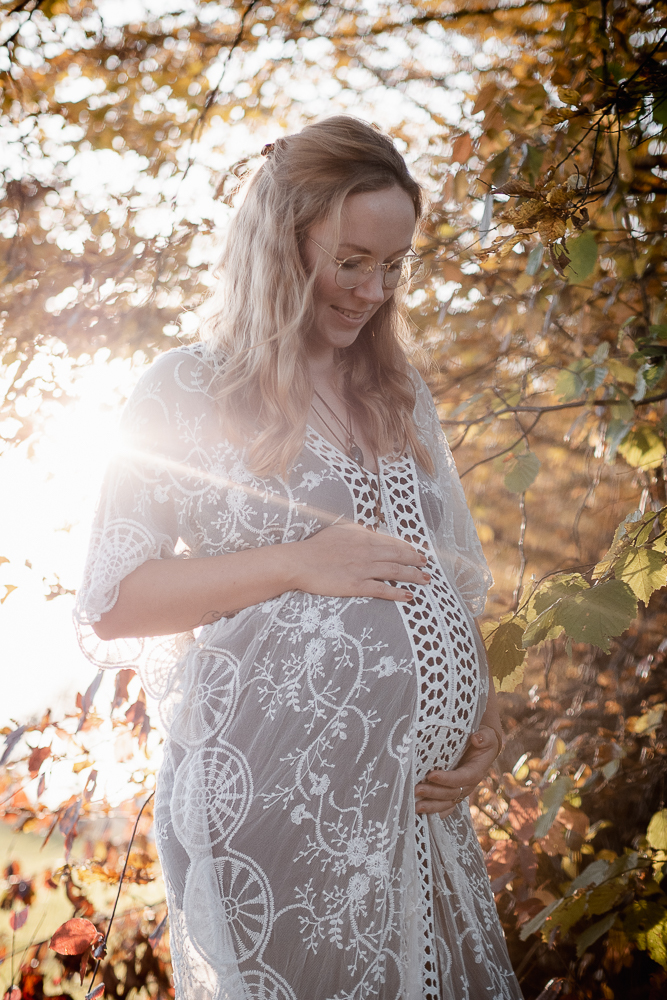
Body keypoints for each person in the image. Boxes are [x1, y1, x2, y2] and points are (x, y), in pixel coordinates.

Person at [74, 116, 523, 1000]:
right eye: (350, 260)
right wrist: (297, 560)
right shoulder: (186, 387)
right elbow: (114, 600)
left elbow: (435, 578)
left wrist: (480, 714)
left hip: (413, 812)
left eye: (393, 267)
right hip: (279, 807)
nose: (372, 292)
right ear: (279, 247)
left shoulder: (396, 389)